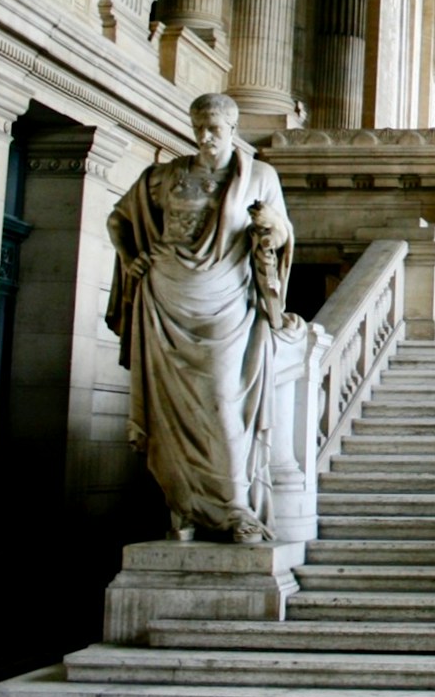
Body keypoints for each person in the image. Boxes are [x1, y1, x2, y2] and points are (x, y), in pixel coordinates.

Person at [107, 92, 300, 543]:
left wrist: (270, 228)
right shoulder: (164, 176)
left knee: (223, 403)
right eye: (199, 128)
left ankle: (235, 507)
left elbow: (282, 233)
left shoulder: (260, 177)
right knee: (170, 414)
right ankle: (185, 507)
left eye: (214, 128)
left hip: (227, 304)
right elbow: (119, 221)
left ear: (232, 128)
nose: (205, 137)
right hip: (165, 298)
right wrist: (133, 259)